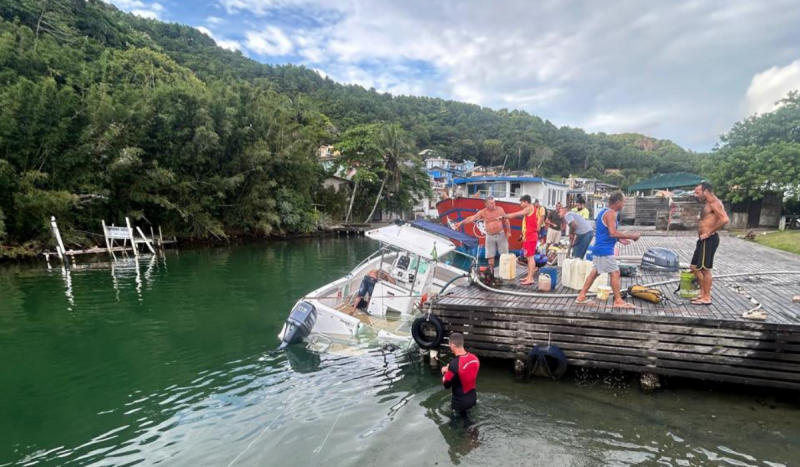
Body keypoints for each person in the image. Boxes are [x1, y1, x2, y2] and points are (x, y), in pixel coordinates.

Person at [575, 192, 641, 308]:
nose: (624, 204)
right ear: (617, 202)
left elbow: (606, 232)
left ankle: (581, 296)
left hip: (600, 248)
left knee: (595, 272)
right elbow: (612, 233)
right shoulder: (611, 214)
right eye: (623, 201)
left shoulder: (603, 212)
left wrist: (621, 239)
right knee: (615, 272)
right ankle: (618, 301)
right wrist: (632, 236)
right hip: (604, 250)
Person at [691, 182, 729, 306]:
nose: (695, 195)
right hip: (702, 240)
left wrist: (709, 233)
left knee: (705, 269)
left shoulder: (715, 203)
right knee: (694, 267)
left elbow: (724, 219)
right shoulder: (707, 204)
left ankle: (706, 297)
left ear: (706, 191)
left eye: (697, 192)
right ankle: (702, 293)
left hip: (709, 240)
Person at [454, 197, 510, 268]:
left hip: (501, 234)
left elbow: (506, 220)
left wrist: (508, 232)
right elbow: (471, 218)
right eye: (491, 203)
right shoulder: (483, 212)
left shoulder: (499, 209)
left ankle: (505, 270)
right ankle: (491, 272)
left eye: (494, 202)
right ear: (486, 204)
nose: (494, 204)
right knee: (490, 256)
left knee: (504, 255)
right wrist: (460, 223)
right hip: (489, 236)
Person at [501, 195, 539, 285]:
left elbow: (516, 214)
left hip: (531, 236)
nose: (520, 204)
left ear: (526, 202)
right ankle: (529, 276)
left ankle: (530, 278)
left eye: (521, 202)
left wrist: (503, 217)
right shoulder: (533, 208)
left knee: (530, 258)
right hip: (529, 236)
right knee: (529, 258)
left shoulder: (529, 209)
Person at [441, 332, 480, 419]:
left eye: (449, 345)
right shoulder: (475, 358)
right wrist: (451, 368)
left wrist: (445, 371)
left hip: (459, 405)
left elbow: (446, 384)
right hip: (473, 400)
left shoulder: (454, 365)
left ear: (453, 346)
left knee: (455, 428)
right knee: (469, 424)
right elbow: (465, 372)